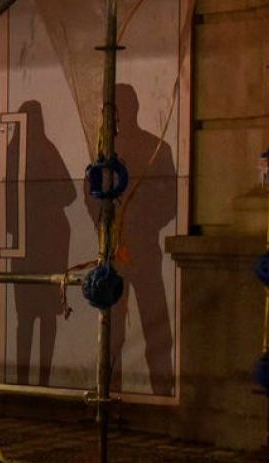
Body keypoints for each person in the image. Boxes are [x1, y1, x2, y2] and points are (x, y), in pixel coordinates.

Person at [109, 84, 176, 396]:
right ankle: (117, 390)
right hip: (124, 249)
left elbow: (169, 201)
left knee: (151, 326)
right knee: (122, 331)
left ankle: (152, 391)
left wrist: (138, 225)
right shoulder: (113, 150)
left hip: (137, 248)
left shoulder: (153, 149)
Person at [9, 100, 76, 387]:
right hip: (46, 244)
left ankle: (25, 380)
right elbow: (69, 193)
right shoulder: (46, 150)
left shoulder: (14, 153)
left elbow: (7, 200)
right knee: (44, 317)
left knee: (27, 318)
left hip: (28, 245)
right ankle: (41, 380)